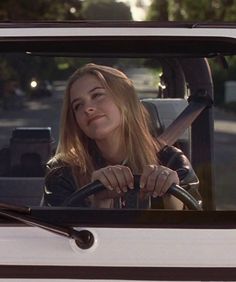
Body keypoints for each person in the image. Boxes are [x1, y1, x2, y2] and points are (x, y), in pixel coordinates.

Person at [42, 63, 200, 209]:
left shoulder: (173, 161)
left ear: (125, 100)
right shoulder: (62, 172)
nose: (87, 108)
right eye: (78, 105)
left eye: (97, 95)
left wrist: (170, 192)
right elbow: (58, 235)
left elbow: (199, 232)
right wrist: (99, 202)